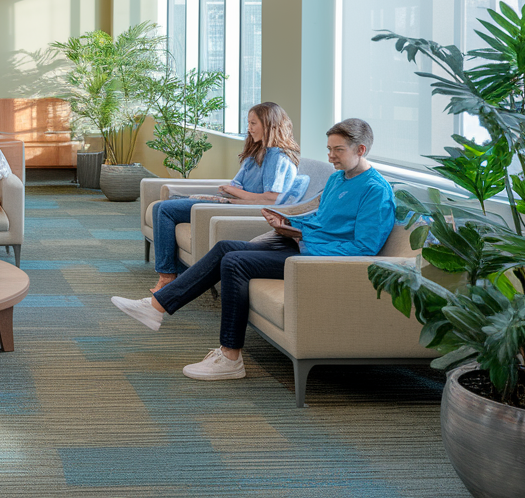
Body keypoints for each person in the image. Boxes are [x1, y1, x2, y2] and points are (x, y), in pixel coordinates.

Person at [112, 118, 395, 381]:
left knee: (236, 263)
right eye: (329, 149)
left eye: (338, 150)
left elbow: (364, 248)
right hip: (303, 245)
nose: (331, 156)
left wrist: (304, 238)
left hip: (316, 260)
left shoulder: (376, 190)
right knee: (225, 248)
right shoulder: (337, 179)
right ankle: (157, 306)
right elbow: (321, 220)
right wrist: (287, 223)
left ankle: (230, 357)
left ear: (361, 149)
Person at [148, 102, 304, 291]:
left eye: (253, 123)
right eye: (249, 123)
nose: (249, 129)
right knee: (160, 206)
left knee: (165, 209)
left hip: (240, 207)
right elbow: (235, 184)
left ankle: (167, 276)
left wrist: (234, 193)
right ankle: (178, 272)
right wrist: (232, 190)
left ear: (269, 124)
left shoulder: (277, 157)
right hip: (232, 201)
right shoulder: (257, 152)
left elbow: (271, 199)